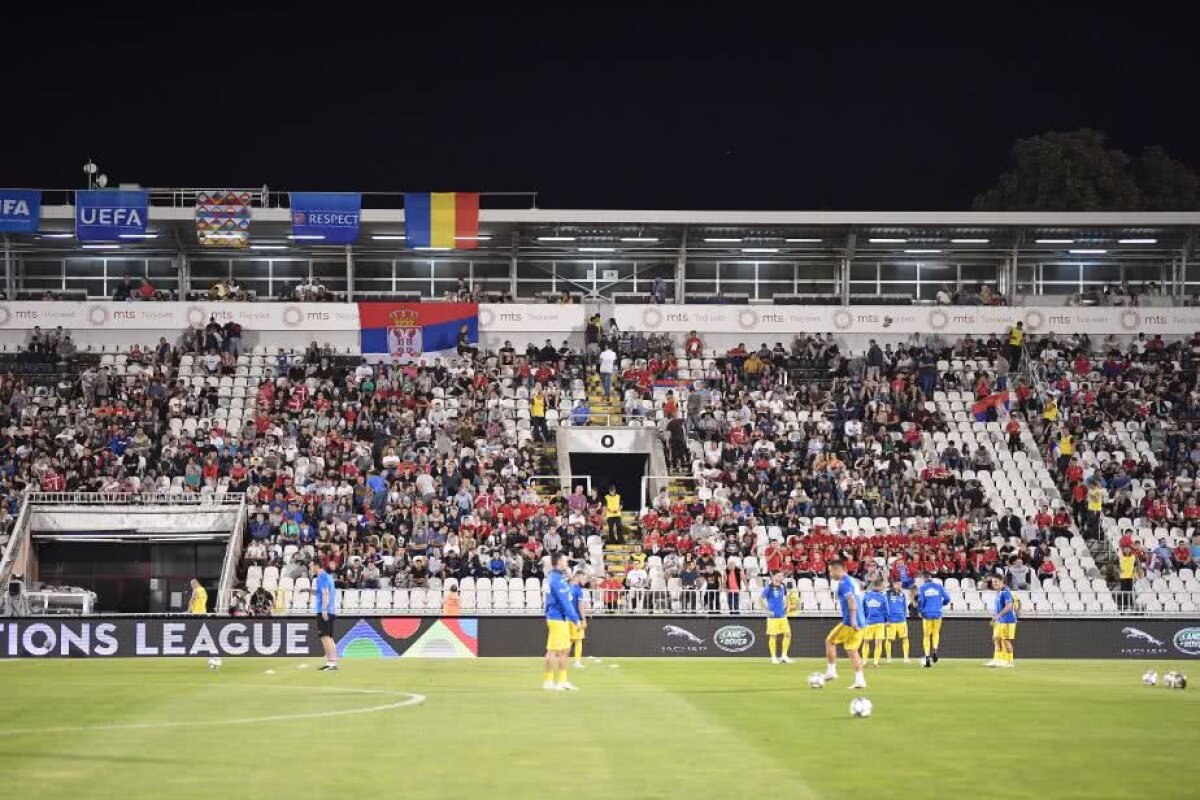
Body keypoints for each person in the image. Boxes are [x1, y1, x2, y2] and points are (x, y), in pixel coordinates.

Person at [824, 560, 867, 689]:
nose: (830, 573)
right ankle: (860, 680)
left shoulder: (844, 583)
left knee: (830, 641)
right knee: (852, 650)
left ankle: (831, 671)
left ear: (837, 569)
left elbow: (852, 601)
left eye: (831, 570)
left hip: (850, 622)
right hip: (862, 621)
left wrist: (853, 621)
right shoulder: (852, 580)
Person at [543, 552, 580, 690]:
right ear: (558, 561)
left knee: (564, 649)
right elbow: (565, 601)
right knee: (554, 651)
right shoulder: (557, 580)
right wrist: (576, 619)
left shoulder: (555, 578)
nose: (566, 562)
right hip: (557, 618)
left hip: (557, 617)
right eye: (564, 560)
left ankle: (559, 681)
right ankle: (553, 682)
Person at [916, 572, 952, 668]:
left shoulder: (923, 588)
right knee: (936, 633)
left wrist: (920, 610)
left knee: (927, 636)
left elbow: (920, 601)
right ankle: (935, 649)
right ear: (931, 578)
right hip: (937, 614)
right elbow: (948, 598)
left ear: (924, 579)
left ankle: (927, 656)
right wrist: (941, 604)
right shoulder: (939, 586)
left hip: (927, 614)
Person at [312, 560, 339, 671]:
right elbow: (319, 592)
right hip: (331, 610)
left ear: (317, 566)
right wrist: (307, 590)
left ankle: (330, 663)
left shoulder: (321, 577)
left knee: (325, 637)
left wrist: (323, 609)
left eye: (311, 566)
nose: (310, 568)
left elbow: (325, 593)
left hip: (324, 610)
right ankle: (333, 662)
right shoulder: (328, 577)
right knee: (330, 638)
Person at [761, 572, 793, 664]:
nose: (781, 577)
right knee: (773, 636)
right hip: (773, 617)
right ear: (774, 577)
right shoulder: (769, 588)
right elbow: (760, 599)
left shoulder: (783, 586)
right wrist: (766, 611)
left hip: (782, 615)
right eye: (779, 575)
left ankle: (784, 656)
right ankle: (774, 657)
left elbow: (786, 596)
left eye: (782, 576)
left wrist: (789, 605)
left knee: (788, 634)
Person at [987, 574, 1017, 668]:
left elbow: (1009, 607)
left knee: (1006, 640)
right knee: (997, 639)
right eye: (993, 582)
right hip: (1000, 620)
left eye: (996, 581)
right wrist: (995, 618)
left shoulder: (1006, 592)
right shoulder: (999, 593)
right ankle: (998, 660)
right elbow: (998, 609)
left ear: (1002, 581)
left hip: (1008, 620)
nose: (994, 584)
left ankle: (1010, 661)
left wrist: (998, 616)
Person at [862, 577, 888, 667]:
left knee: (866, 642)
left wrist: (865, 618)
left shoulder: (866, 595)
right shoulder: (882, 597)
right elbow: (886, 610)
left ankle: (864, 662)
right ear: (880, 586)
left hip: (869, 622)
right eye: (883, 586)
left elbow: (863, 609)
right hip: (879, 623)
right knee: (878, 643)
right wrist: (887, 620)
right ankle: (875, 663)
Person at [884, 579, 911, 664]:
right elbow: (885, 607)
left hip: (901, 620)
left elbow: (904, 608)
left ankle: (906, 657)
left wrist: (905, 618)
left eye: (900, 584)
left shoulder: (902, 594)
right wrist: (886, 620)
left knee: (905, 638)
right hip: (891, 620)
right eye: (898, 584)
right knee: (889, 639)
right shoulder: (888, 594)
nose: (900, 586)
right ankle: (888, 657)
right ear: (894, 584)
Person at [569, 570, 590, 669]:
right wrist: (584, 619)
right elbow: (580, 606)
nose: (585, 581)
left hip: (566, 618)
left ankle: (562, 659)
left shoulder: (567, 587)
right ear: (578, 577)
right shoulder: (578, 590)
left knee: (568, 640)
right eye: (584, 578)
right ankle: (577, 662)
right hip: (576, 618)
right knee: (578, 640)